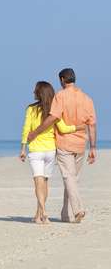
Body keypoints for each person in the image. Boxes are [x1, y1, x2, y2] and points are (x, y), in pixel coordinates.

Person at [27, 68, 97, 223]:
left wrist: (35, 132)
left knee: (69, 178)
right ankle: (66, 215)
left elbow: (53, 118)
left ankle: (77, 210)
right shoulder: (87, 99)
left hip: (65, 143)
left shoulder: (60, 96)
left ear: (63, 79)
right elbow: (92, 125)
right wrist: (92, 147)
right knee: (71, 179)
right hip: (81, 144)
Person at [20, 81, 85, 224]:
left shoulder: (31, 109)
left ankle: (44, 212)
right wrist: (78, 127)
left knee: (38, 182)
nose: (33, 93)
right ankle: (38, 216)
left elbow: (26, 129)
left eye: (35, 91)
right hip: (50, 150)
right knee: (45, 183)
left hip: (36, 150)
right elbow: (63, 128)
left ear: (39, 93)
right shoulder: (54, 110)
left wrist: (23, 149)